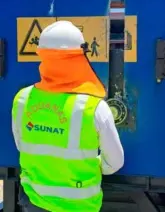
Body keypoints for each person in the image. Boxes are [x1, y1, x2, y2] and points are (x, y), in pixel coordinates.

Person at [11, 21, 124, 212]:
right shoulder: (95, 108)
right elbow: (114, 162)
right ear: (79, 57)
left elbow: (22, 145)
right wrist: (91, 164)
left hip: (35, 202)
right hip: (80, 206)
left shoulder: (22, 99)